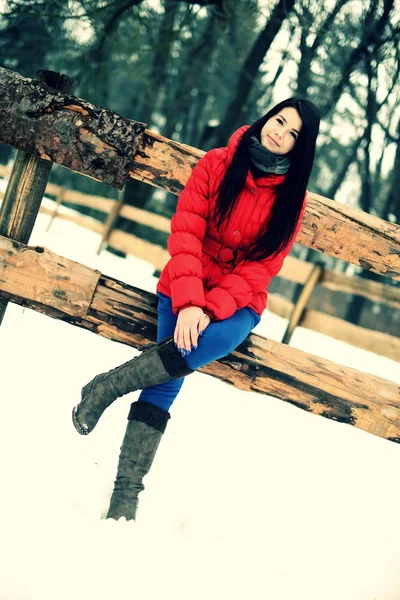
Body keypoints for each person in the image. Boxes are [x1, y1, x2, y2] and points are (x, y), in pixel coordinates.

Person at [72, 97, 320, 521]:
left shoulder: (291, 200)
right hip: (187, 278)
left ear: (300, 147)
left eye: (293, 133)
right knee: (166, 383)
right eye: (279, 121)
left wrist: (212, 308)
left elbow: (263, 267)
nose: (280, 132)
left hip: (236, 300)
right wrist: (189, 302)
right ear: (266, 119)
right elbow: (186, 232)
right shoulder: (218, 163)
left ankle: (108, 386)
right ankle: (125, 496)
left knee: (218, 338)